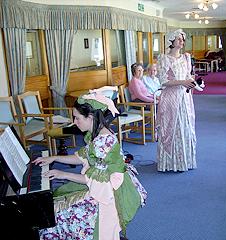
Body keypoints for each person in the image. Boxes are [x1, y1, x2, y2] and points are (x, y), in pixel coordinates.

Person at [33, 87, 146, 240]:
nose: (74, 122)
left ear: (91, 117)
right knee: (56, 203)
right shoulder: (98, 133)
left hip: (107, 195)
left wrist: (63, 174)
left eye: (77, 118)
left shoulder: (103, 142)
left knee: (56, 218)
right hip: (101, 186)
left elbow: (93, 180)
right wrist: (54, 158)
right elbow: (82, 157)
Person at [156, 28, 197, 172]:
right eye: (179, 39)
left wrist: (194, 82)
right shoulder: (164, 58)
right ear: (171, 41)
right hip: (171, 97)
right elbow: (163, 81)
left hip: (185, 97)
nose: (182, 41)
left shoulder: (186, 57)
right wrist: (182, 82)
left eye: (182, 39)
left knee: (185, 127)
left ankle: (184, 162)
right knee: (171, 128)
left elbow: (188, 76)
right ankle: (170, 163)